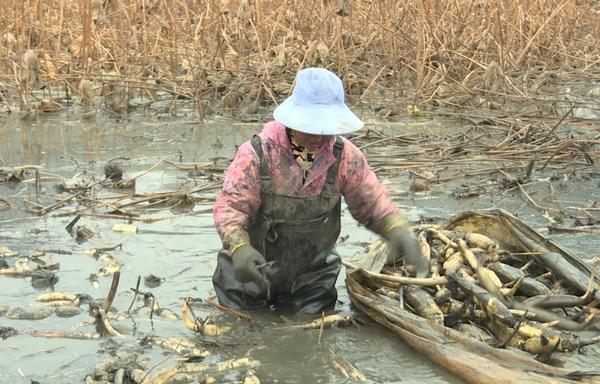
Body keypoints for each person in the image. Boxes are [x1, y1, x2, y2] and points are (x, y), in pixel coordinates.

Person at [212, 67, 427, 314]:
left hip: (310, 279)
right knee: (240, 337)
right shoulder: (258, 154)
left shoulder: (345, 157)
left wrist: (396, 229)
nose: (319, 136)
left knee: (310, 338)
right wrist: (239, 247)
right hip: (247, 273)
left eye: (326, 127)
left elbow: (371, 201)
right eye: (311, 127)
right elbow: (231, 205)